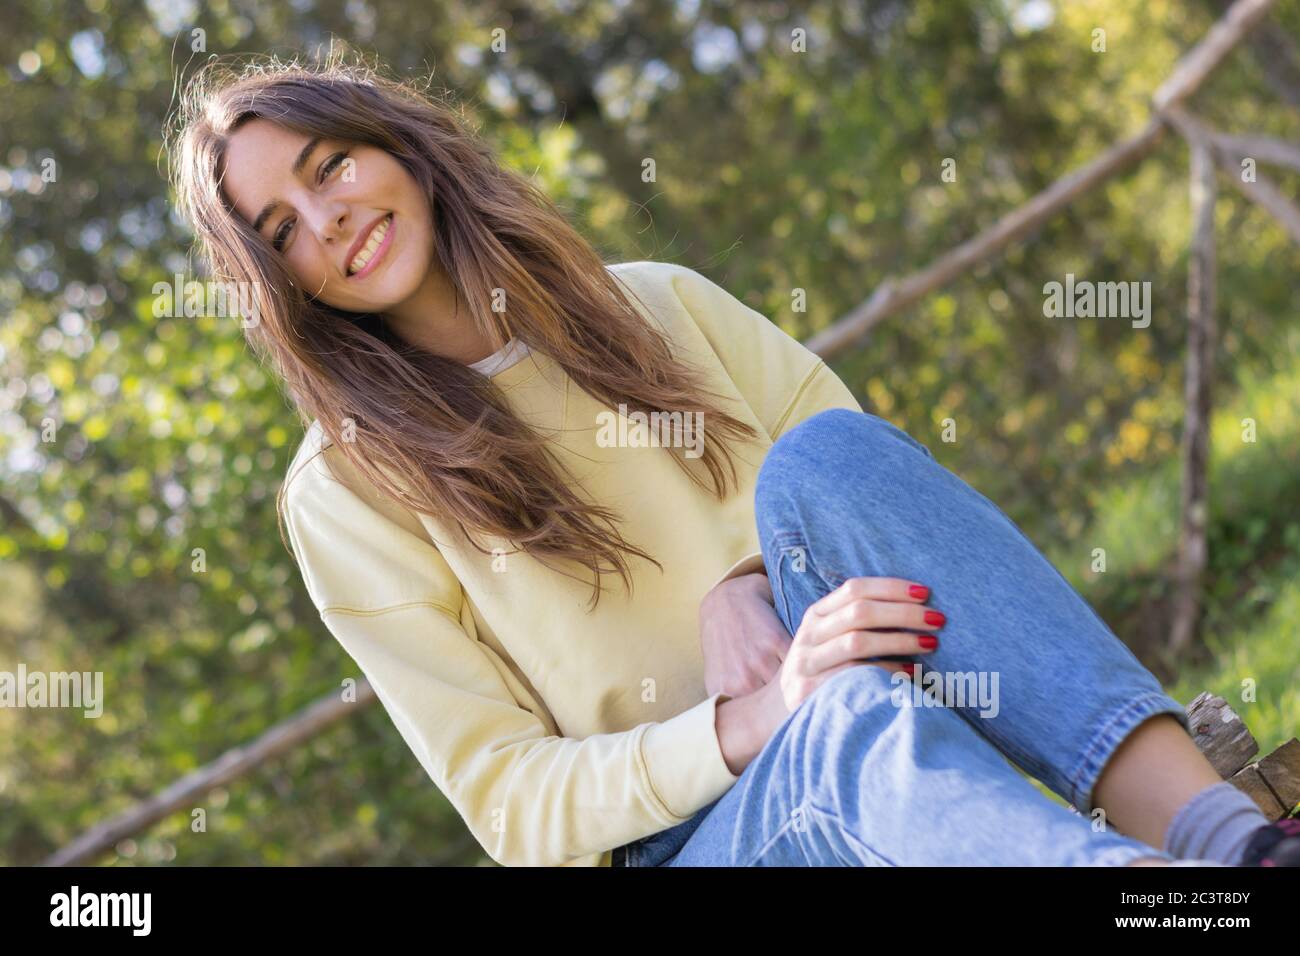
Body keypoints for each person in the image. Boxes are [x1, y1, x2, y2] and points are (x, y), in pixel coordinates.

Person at [166, 54, 1298, 868]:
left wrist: (749, 581)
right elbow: (510, 804)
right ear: (283, 285)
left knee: (823, 462)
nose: (325, 219)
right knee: (836, 722)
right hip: (694, 837)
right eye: (278, 232)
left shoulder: (654, 301)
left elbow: (869, 496)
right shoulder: (349, 494)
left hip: (881, 696)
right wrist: (746, 723)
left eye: (331, 166)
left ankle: (1227, 843)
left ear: (394, 148)